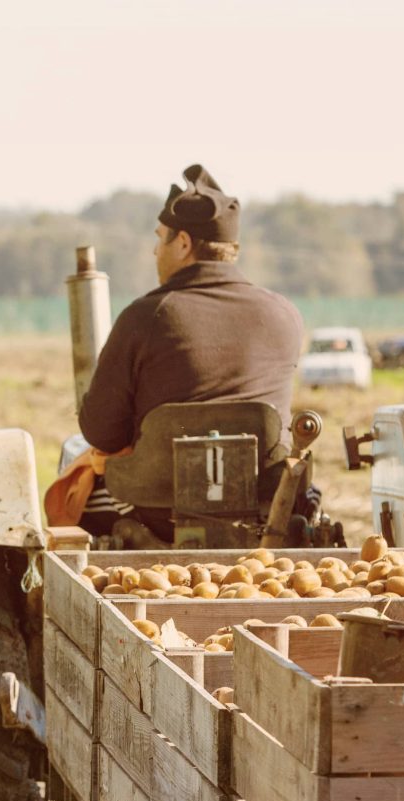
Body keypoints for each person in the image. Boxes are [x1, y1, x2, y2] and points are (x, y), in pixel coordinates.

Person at [57, 163, 304, 539]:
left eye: (161, 238)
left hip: (156, 517)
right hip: (264, 512)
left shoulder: (148, 315)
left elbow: (100, 433)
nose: (156, 250)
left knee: (74, 467)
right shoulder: (284, 314)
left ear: (184, 243)